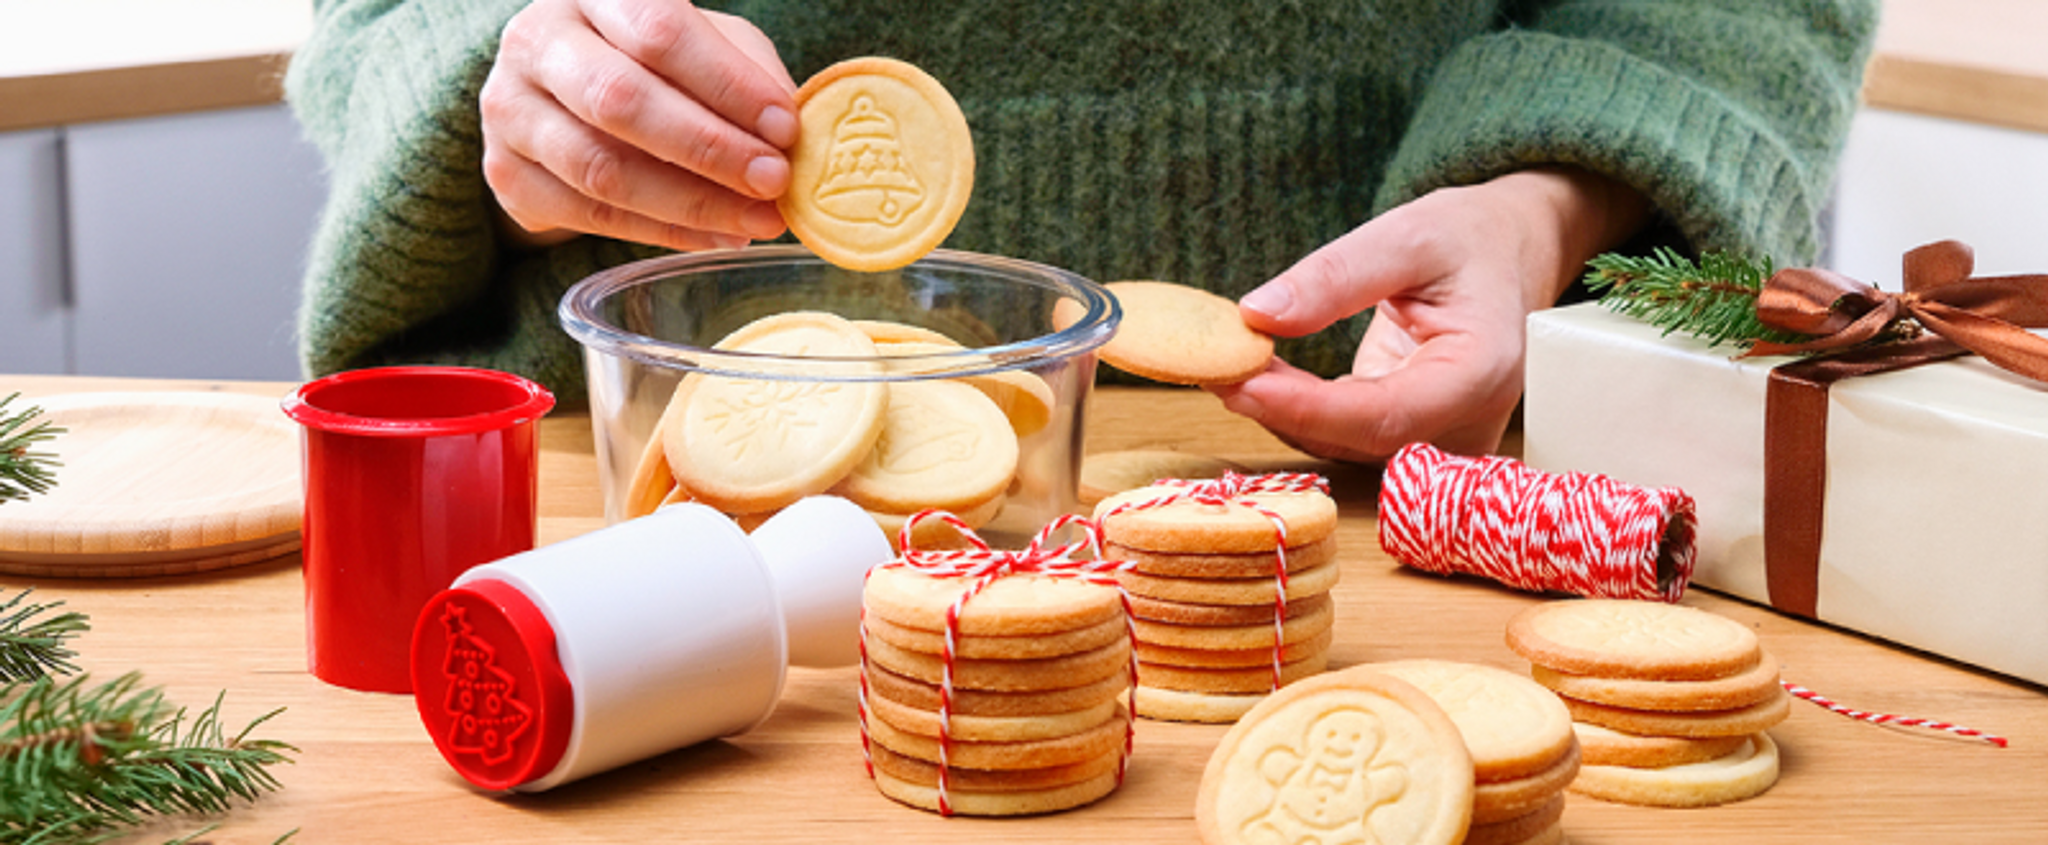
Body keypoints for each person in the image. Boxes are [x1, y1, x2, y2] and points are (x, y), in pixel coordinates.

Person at [284, 0, 1878, 463]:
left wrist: (1557, 194)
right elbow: (377, 24)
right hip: (646, 476)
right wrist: (510, 71)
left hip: (1405, 471)